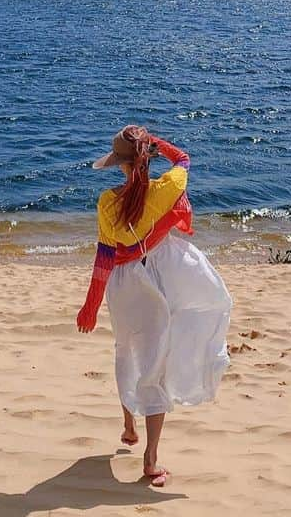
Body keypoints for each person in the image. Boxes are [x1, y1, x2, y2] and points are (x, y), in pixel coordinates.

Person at [76, 125, 232, 487]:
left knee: (125, 349)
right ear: (148, 156)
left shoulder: (108, 202)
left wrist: (90, 305)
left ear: (119, 164)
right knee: (155, 362)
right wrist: (157, 145)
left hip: (125, 283)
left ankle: (129, 424)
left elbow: (104, 256)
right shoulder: (167, 188)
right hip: (161, 274)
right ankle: (150, 459)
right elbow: (184, 159)